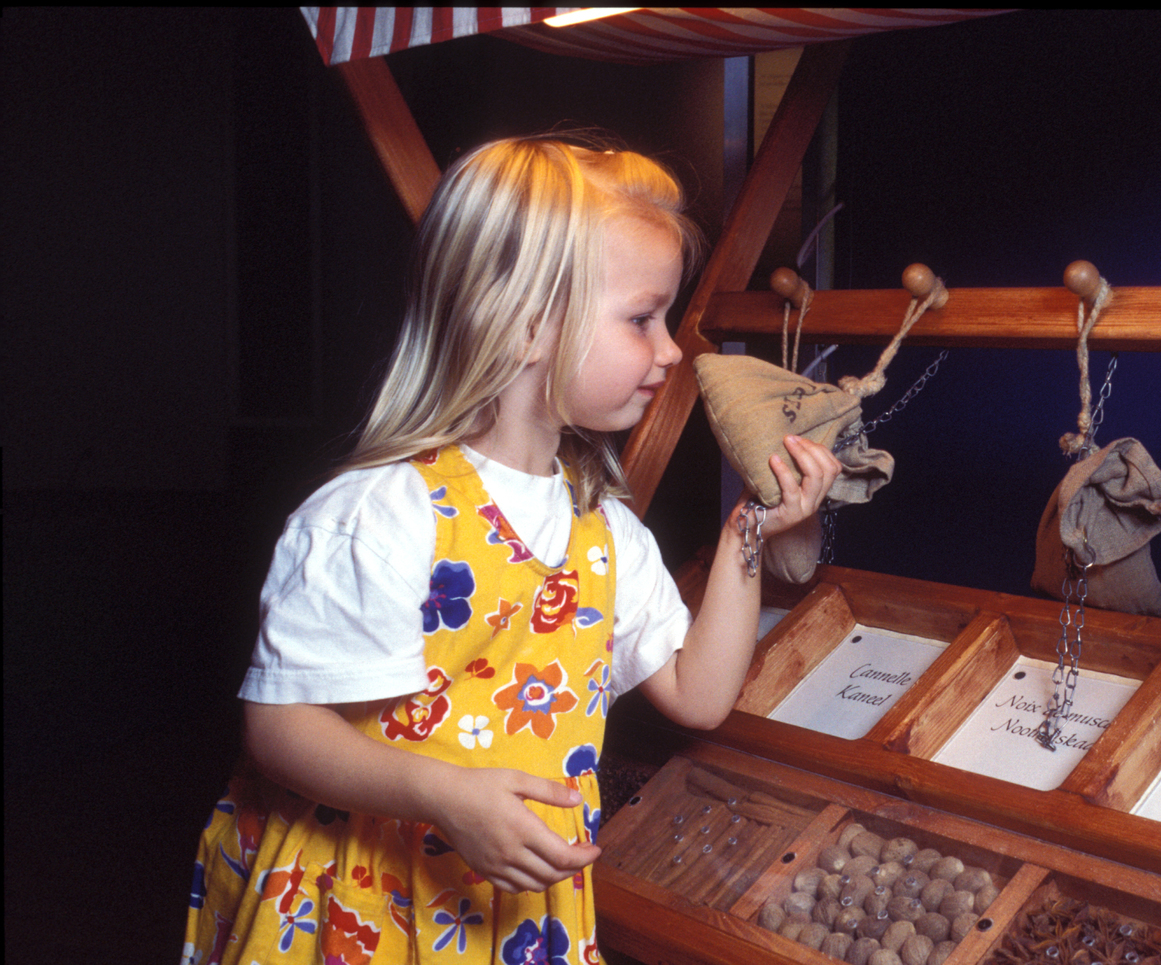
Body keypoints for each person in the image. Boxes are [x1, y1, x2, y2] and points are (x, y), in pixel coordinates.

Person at [181, 134, 841, 965]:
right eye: (643, 317)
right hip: (364, 912)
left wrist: (750, 530)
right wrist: (442, 794)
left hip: (513, 921)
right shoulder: (381, 513)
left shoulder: (606, 534)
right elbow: (280, 724)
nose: (673, 349)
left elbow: (698, 692)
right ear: (529, 324)